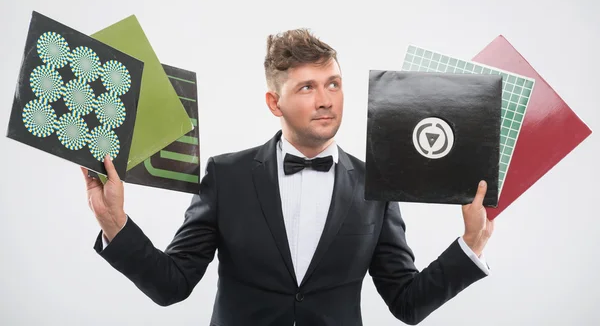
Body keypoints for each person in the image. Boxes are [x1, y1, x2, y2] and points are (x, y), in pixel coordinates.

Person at [82, 29, 494, 326]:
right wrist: (114, 222)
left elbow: (407, 303)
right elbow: (172, 285)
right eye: (306, 88)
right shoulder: (226, 176)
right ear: (273, 103)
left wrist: (470, 245)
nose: (325, 100)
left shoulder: (377, 184)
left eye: (333, 84)